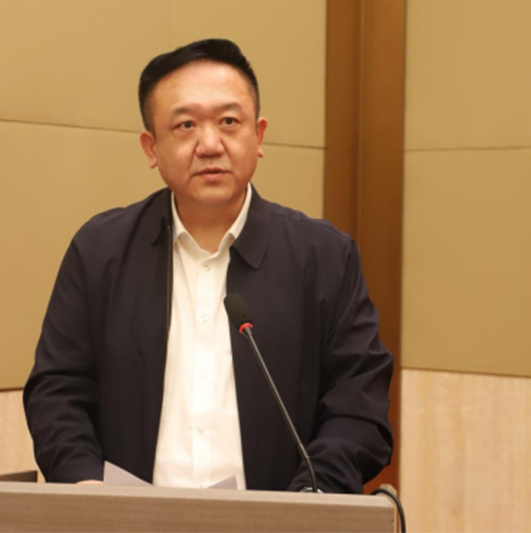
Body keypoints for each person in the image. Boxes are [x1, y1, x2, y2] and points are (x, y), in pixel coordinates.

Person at [23, 38, 393, 493]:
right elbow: (57, 392)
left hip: (281, 520)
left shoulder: (324, 257)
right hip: (125, 520)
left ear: (258, 136)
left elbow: (358, 407)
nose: (210, 144)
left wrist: (311, 499)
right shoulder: (100, 251)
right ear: (151, 147)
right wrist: (84, 482)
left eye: (229, 121)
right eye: (185, 125)